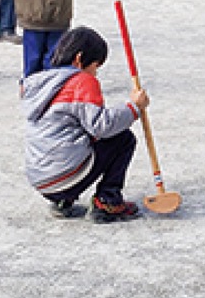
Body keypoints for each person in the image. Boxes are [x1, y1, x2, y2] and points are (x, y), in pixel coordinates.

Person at [21, 26, 148, 223]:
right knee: (123, 139)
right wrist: (133, 107)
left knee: (78, 136)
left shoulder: (44, 83)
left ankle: (62, 201)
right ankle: (108, 201)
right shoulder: (81, 81)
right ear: (79, 59)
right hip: (64, 175)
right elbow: (102, 126)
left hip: (41, 178)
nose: (95, 74)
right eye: (95, 67)